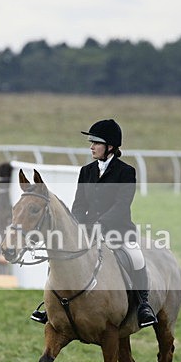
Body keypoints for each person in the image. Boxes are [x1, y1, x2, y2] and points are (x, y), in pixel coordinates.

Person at [30, 118, 158, 328]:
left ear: (110, 147)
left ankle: (143, 305)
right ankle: (49, 305)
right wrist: (79, 225)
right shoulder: (86, 171)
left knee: (135, 256)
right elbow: (79, 204)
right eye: (91, 143)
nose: (91, 147)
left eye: (96, 143)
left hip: (118, 230)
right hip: (87, 231)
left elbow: (121, 205)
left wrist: (99, 224)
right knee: (60, 256)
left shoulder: (126, 172)